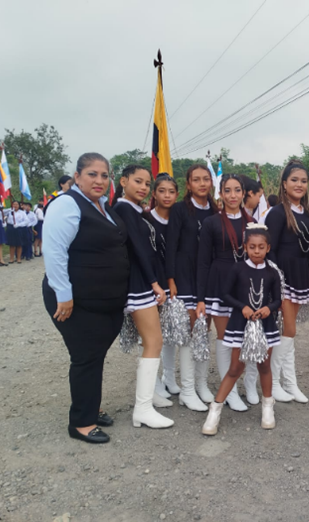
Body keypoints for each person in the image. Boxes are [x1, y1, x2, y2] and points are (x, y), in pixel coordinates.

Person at [42, 152, 130, 444]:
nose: (99, 180)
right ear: (77, 177)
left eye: (104, 175)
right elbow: (54, 251)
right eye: (92, 174)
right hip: (74, 301)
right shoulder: (66, 204)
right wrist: (63, 295)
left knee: (95, 355)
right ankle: (81, 422)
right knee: (85, 356)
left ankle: (92, 406)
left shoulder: (103, 206)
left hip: (103, 300)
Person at [202, 223, 282, 435]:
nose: (257, 251)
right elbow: (225, 294)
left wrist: (268, 308)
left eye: (261, 247)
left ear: (268, 248)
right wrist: (242, 307)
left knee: (265, 366)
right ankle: (215, 410)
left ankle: (267, 407)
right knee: (235, 368)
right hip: (240, 324)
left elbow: (278, 300)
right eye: (252, 247)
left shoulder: (272, 272)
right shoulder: (237, 268)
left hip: (265, 326)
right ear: (245, 247)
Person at [263, 160, 309, 403]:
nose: (299, 184)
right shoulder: (277, 212)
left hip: (300, 276)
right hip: (283, 277)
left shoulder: (305, 213)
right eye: (294, 180)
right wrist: (276, 282)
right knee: (287, 330)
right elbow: (269, 250)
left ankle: (290, 383)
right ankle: (273, 383)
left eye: (303, 181)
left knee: (288, 333)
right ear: (284, 183)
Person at [112, 165, 174, 429]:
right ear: (123, 181)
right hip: (139, 283)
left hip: (146, 282)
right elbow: (139, 249)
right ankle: (143, 408)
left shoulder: (136, 210)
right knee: (154, 341)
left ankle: (150, 395)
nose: (143, 188)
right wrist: (154, 283)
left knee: (149, 340)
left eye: (147, 184)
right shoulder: (124, 208)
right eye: (138, 181)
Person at [196, 174, 254, 412]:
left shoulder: (252, 222)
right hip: (219, 282)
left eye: (237, 190)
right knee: (225, 337)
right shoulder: (211, 222)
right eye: (227, 190)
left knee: (241, 337)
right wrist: (201, 298)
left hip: (244, 283)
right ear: (220, 193)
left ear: (244, 193)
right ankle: (228, 391)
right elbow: (203, 262)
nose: (232, 195)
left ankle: (242, 385)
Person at [165, 164, 218, 411]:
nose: (202, 183)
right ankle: (187, 391)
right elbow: (171, 245)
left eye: (206, 179)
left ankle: (201, 384)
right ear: (188, 184)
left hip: (207, 277)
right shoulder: (179, 210)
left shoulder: (216, 211)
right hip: (185, 276)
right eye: (196, 179)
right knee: (188, 333)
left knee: (203, 332)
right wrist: (171, 279)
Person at [149, 174, 183, 401]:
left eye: (171, 192)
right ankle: (152, 384)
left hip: (173, 281)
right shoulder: (146, 219)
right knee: (152, 334)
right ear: (154, 194)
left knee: (169, 332)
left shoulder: (179, 218)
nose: (167, 196)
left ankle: (169, 377)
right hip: (153, 282)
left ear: (177, 194)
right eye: (162, 191)